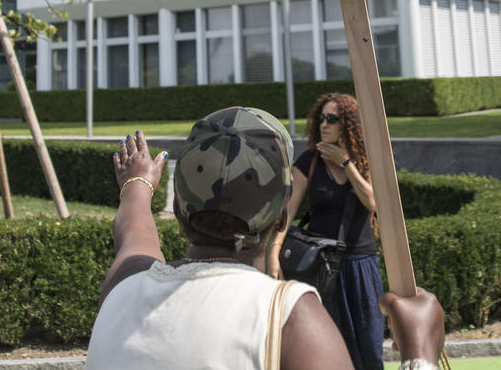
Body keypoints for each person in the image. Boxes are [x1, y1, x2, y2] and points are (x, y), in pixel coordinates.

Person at [86, 106, 446, 370]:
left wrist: (138, 182)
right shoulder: (289, 315)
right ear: (281, 218)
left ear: (179, 211)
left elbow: (133, 230)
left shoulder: (126, 285)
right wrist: (420, 354)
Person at [270, 93, 383, 370]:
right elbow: (289, 210)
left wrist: (346, 162)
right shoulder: (309, 161)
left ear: (348, 124)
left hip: (360, 264)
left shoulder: (366, 160)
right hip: (320, 267)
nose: (324, 124)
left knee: (370, 347)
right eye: (321, 118)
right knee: (328, 348)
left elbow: (374, 203)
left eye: (332, 119)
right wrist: (273, 254)